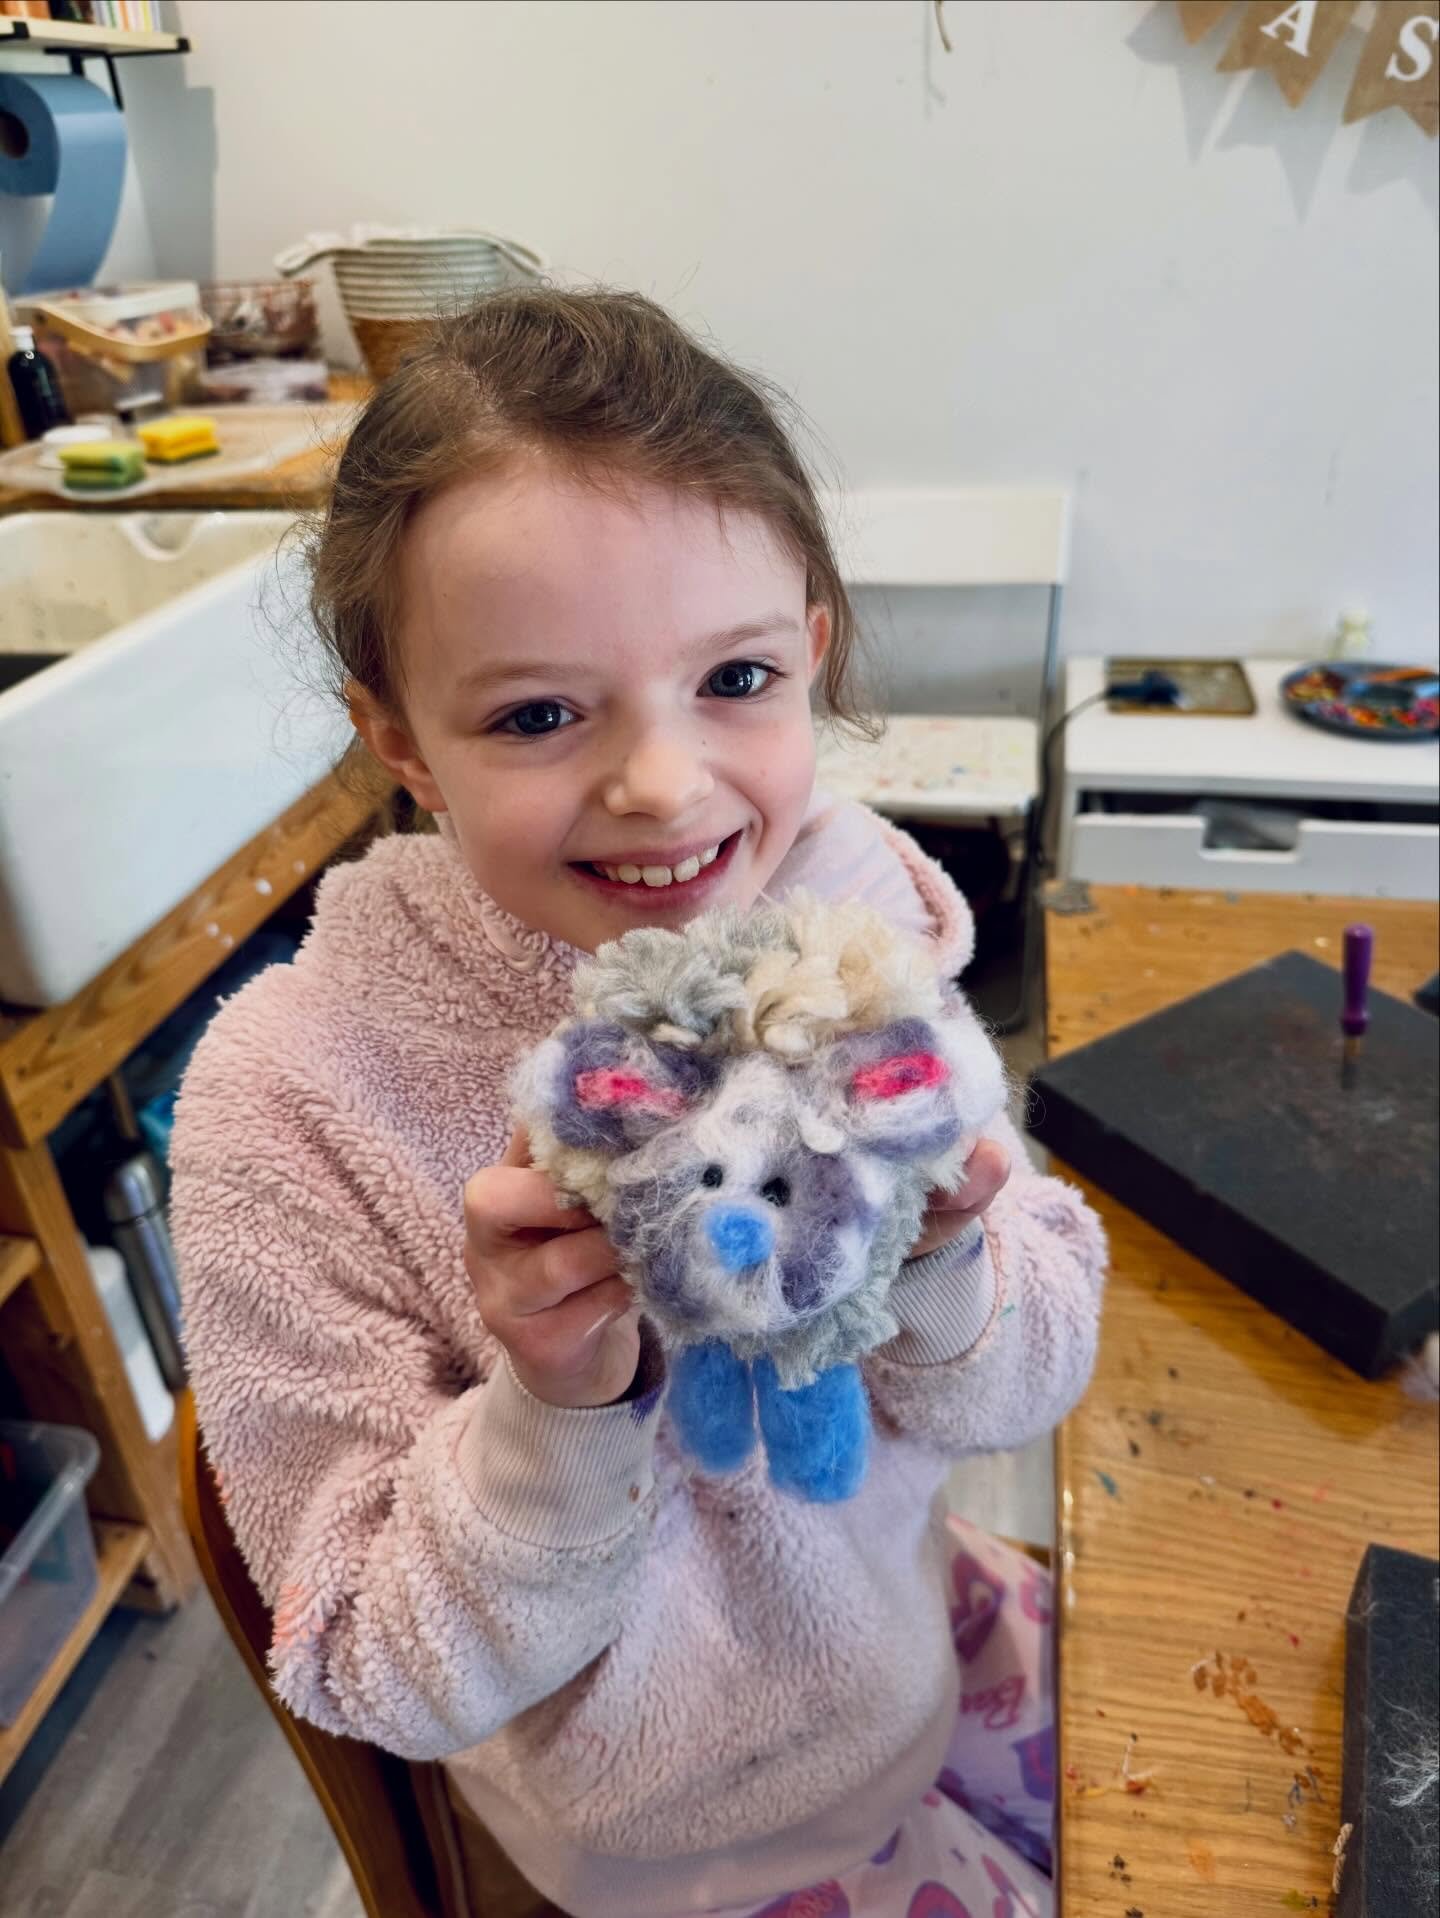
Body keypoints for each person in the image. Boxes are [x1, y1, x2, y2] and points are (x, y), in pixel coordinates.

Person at [172, 289, 1105, 1918]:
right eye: (538, 714)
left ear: (809, 645)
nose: (665, 786)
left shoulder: (842, 935)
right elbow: (363, 1657)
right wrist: (557, 1404)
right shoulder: (295, 1092)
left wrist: (949, 1250)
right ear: (396, 733)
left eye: (733, 675)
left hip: (912, 1642)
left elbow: (1027, 1379)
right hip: (686, 1835)